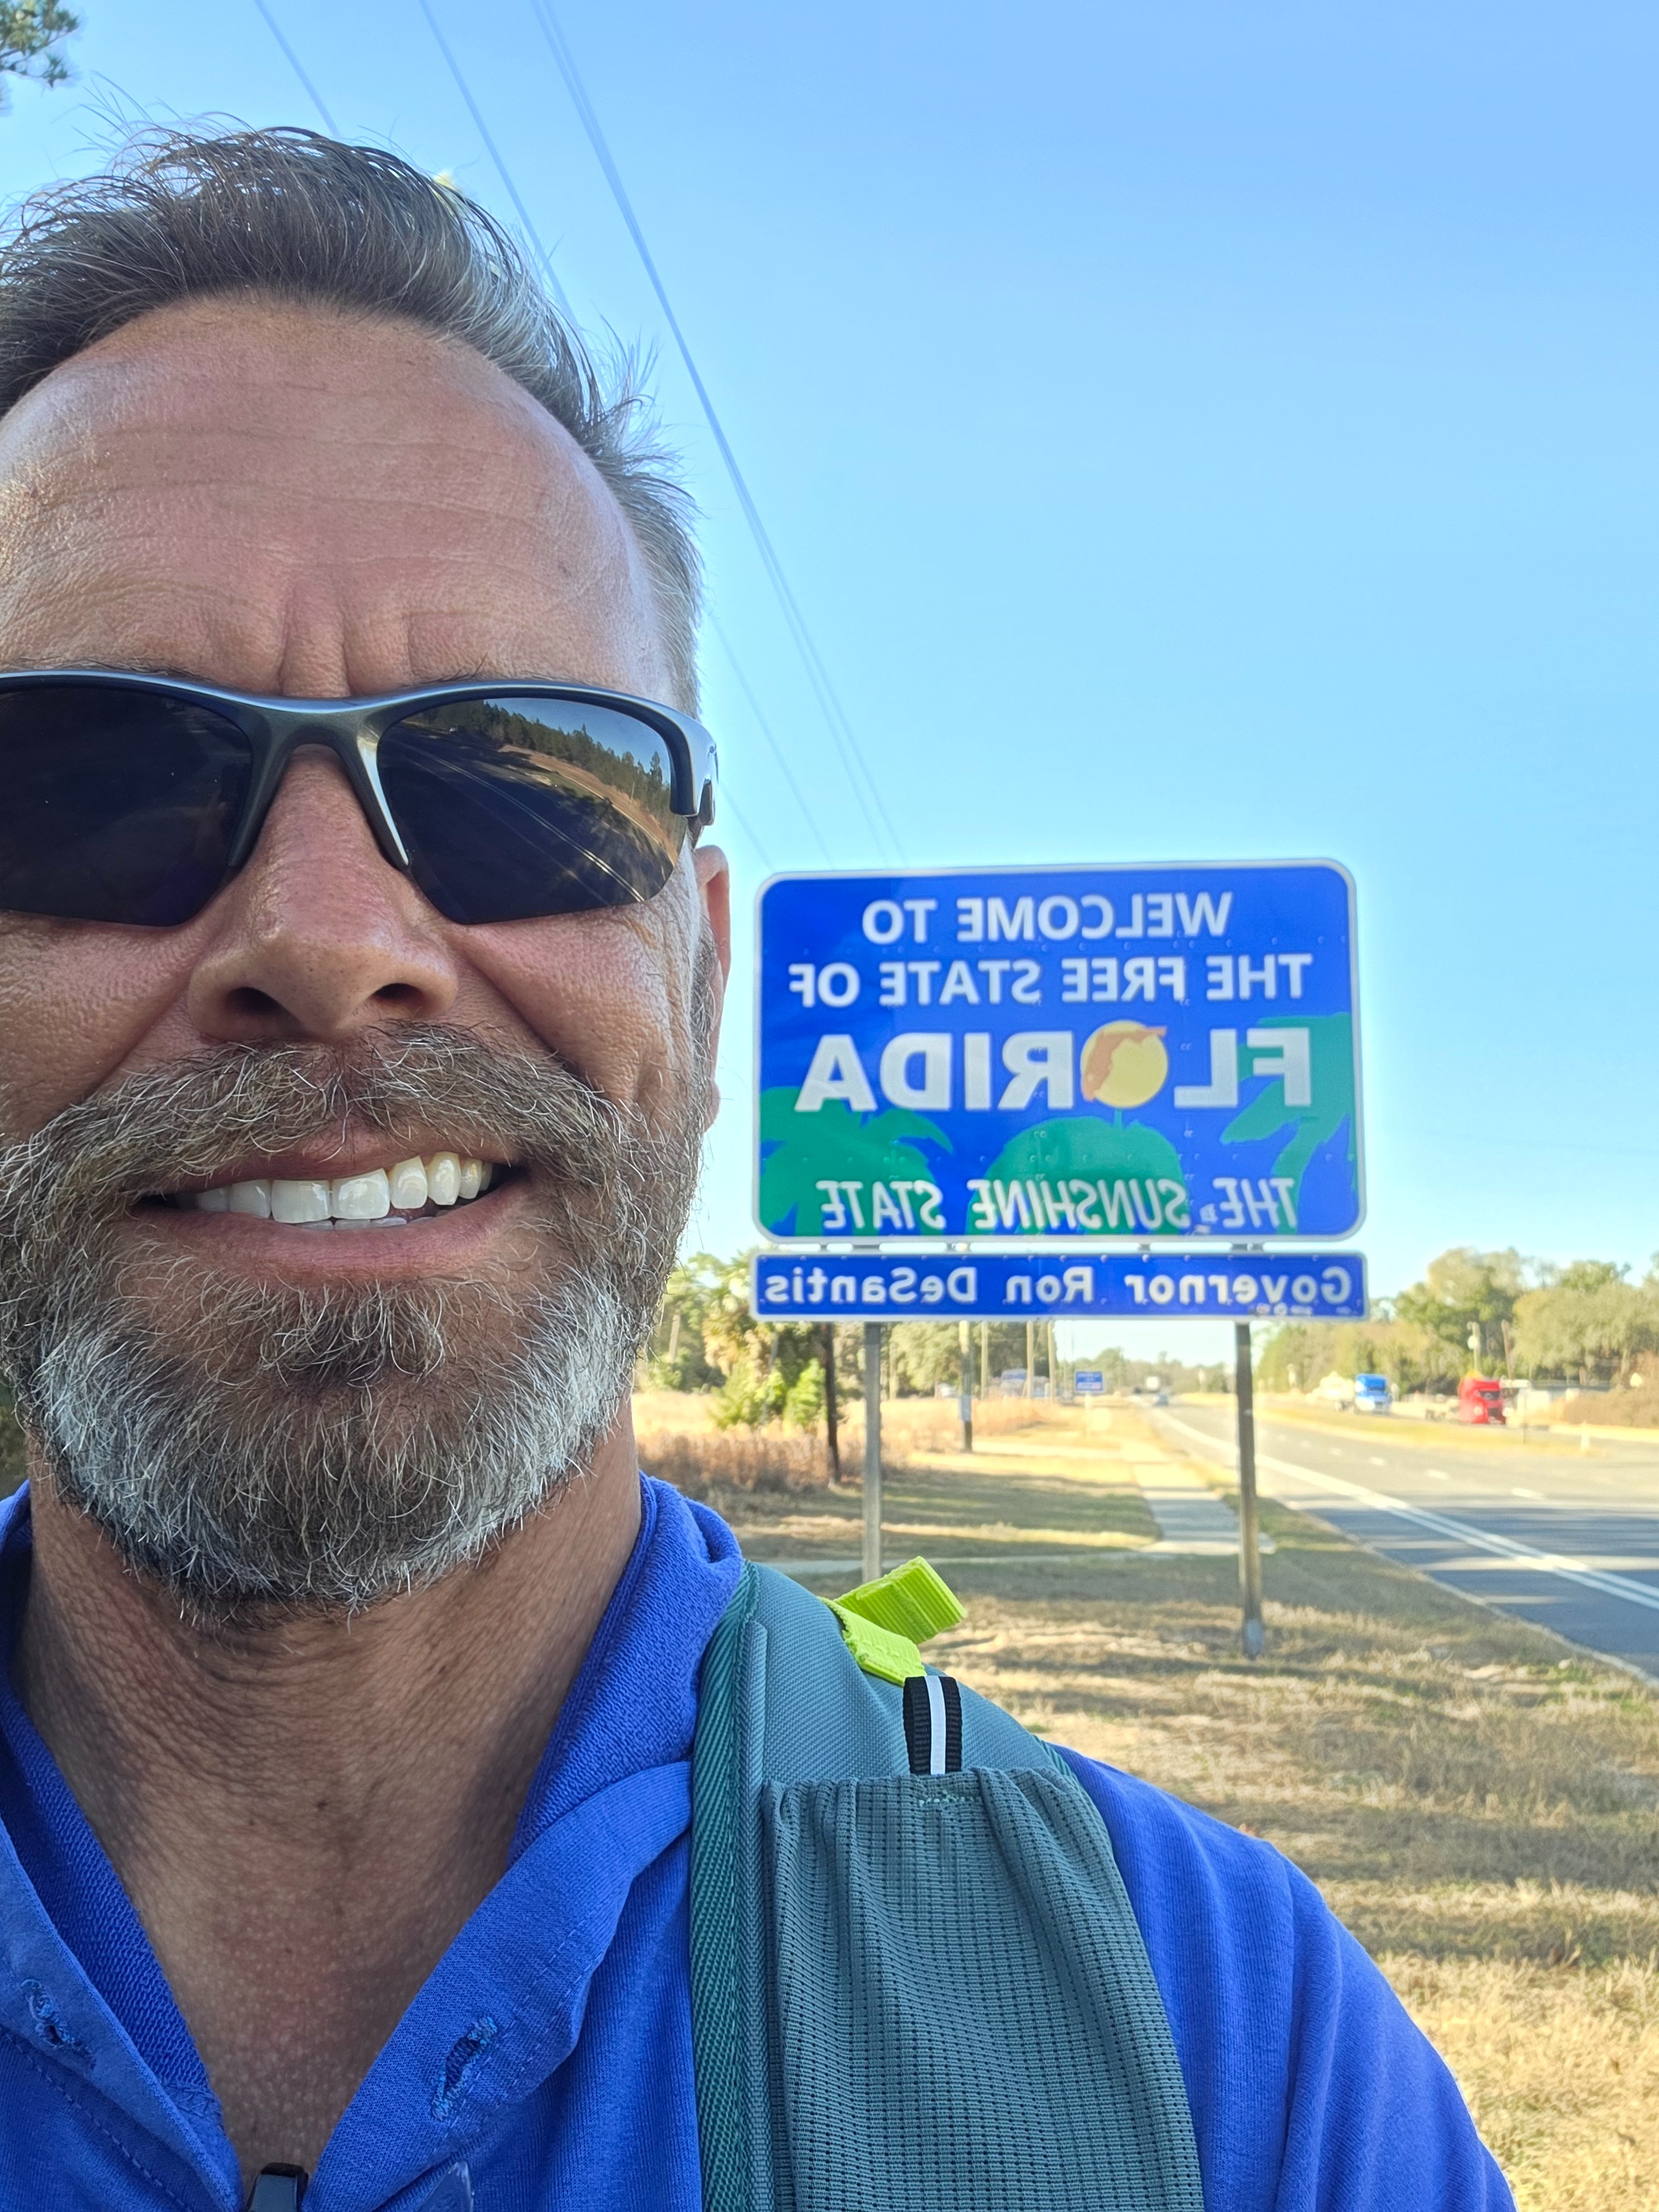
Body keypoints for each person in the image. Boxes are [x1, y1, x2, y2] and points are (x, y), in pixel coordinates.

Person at [0, 128, 1512, 2212]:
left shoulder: (1223, 2064)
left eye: (525, 789)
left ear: (701, 985)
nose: (336, 944)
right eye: (87, 782)